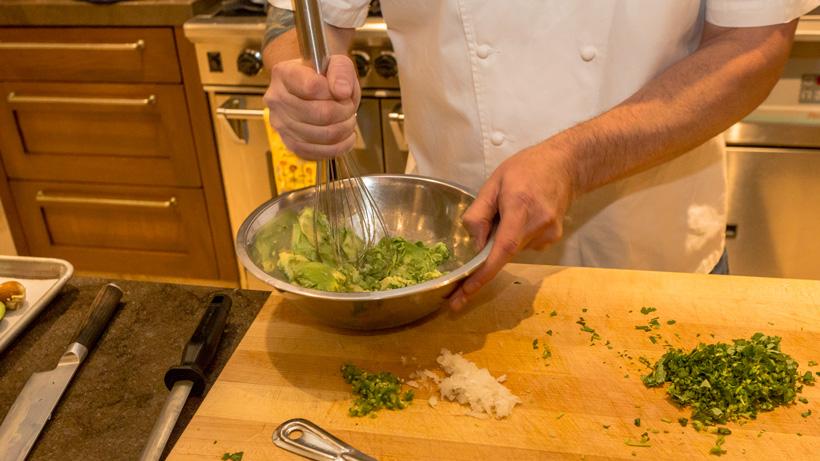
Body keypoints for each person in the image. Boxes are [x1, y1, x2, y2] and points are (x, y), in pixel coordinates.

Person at [261, 1, 819, 309]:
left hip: (651, 256)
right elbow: (303, 15)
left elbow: (752, 44)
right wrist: (302, 80)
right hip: (446, 257)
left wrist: (576, 159)